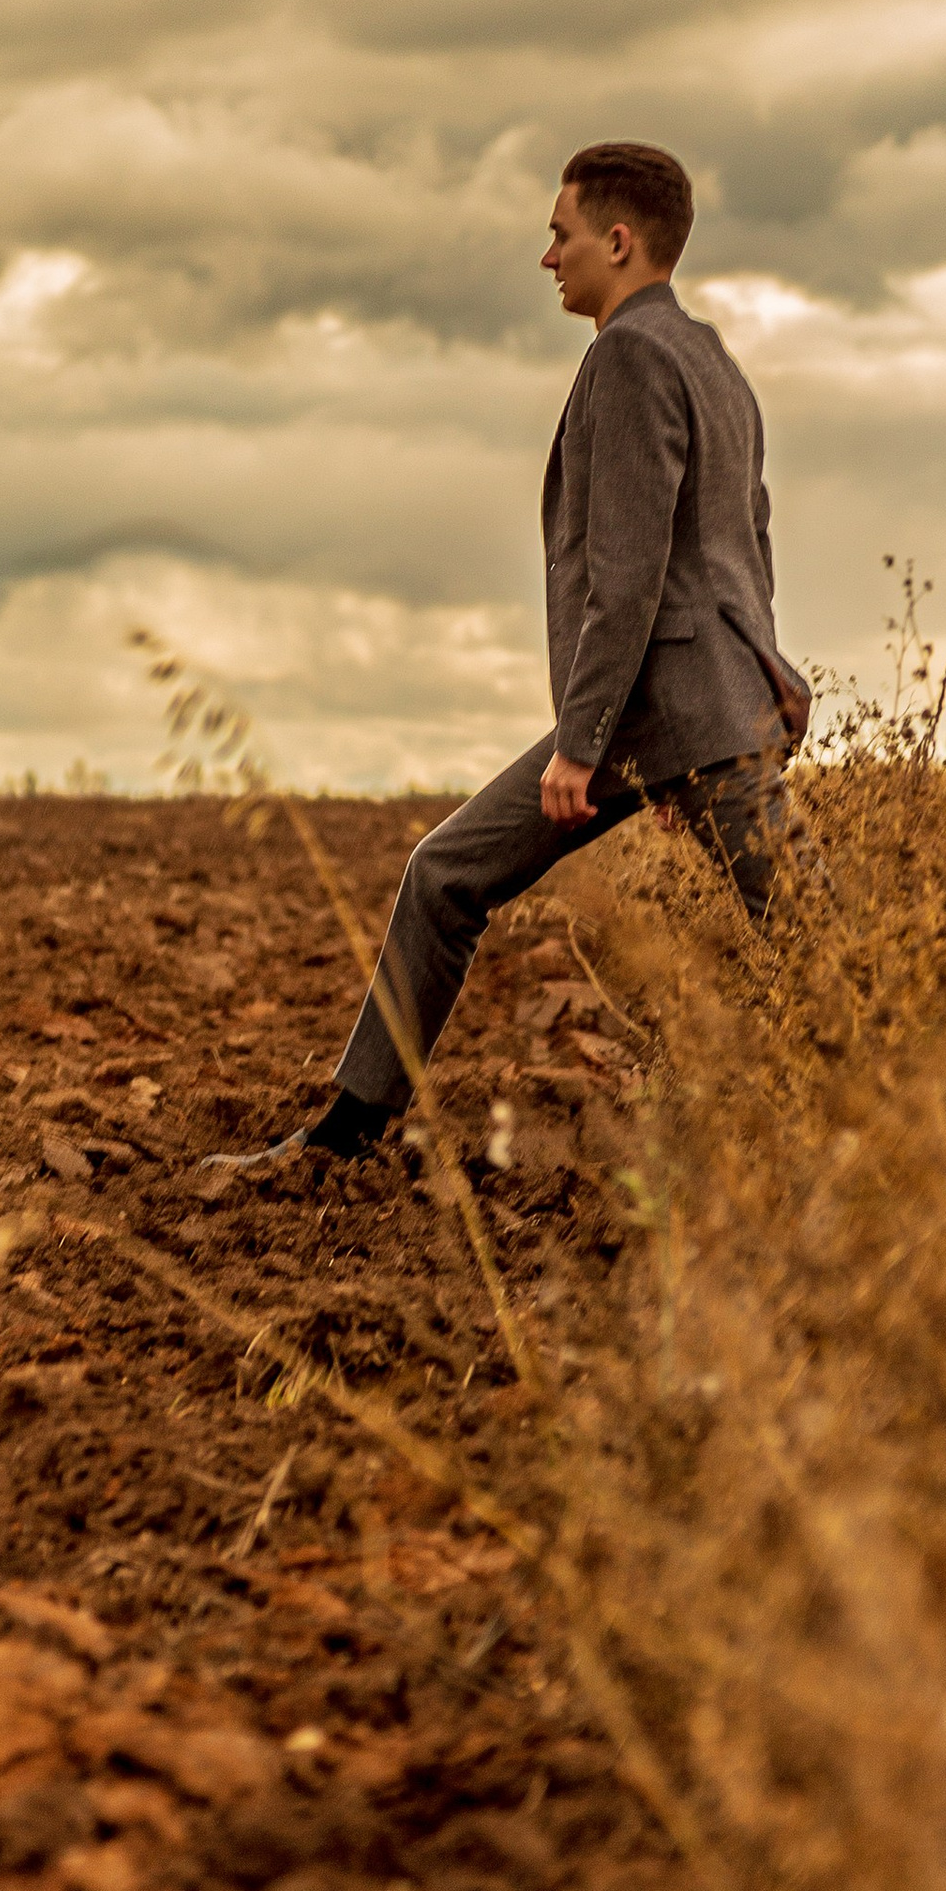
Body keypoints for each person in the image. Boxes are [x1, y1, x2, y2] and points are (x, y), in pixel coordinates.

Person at [206, 140, 809, 1184]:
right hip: (698, 709)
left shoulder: (627, 356)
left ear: (618, 243)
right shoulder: (712, 358)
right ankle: (346, 1134)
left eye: (559, 233)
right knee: (457, 877)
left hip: (662, 708)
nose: (549, 257)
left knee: (816, 940)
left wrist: (584, 746)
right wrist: (761, 683)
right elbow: (746, 540)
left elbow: (624, 571)